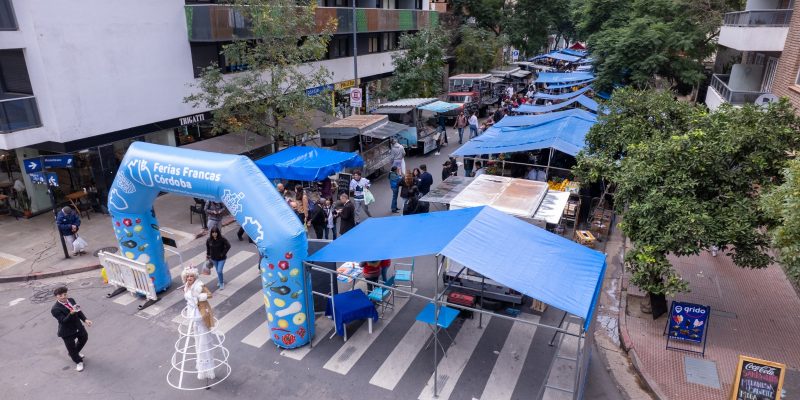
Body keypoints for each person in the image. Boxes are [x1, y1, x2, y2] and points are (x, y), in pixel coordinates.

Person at [181, 267, 218, 380]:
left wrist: (199, 297)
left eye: (191, 276)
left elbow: (210, 295)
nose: (189, 278)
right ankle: (201, 368)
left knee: (203, 340)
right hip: (192, 313)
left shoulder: (199, 285)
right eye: (187, 276)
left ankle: (207, 369)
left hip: (199, 313)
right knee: (197, 338)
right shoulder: (187, 285)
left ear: (195, 277)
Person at [51, 286, 93, 372]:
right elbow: (63, 321)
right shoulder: (55, 309)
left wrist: (85, 319)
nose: (63, 297)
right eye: (60, 295)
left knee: (84, 338)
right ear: (56, 297)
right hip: (67, 331)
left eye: (65, 294)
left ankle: (74, 354)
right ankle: (78, 362)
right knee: (71, 348)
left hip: (78, 326)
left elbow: (79, 311)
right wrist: (71, 313)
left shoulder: (71, 300)